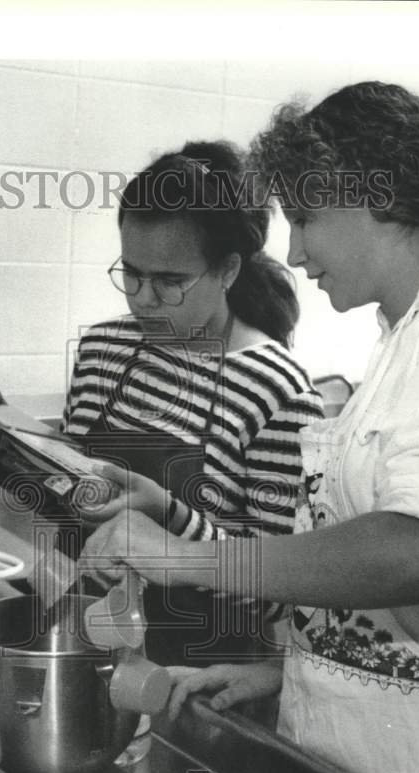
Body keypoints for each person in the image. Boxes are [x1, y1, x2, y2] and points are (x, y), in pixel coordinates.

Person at [80, 82, 419, 773]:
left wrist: (188, 559)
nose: (293, 248)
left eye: (306, 217)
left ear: (374, 199)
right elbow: (384, 593)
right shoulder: (411, 339)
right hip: (377, 734)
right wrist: (287, 669)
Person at [57, 140, 324, 667]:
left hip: (197, 669)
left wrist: (165, 512)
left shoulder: (276, 390)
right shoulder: (104, 349)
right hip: (88, 637)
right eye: (131, 273)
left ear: (227, 270)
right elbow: (69, 483)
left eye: (170, 282)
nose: (142, 299)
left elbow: (275, 590)